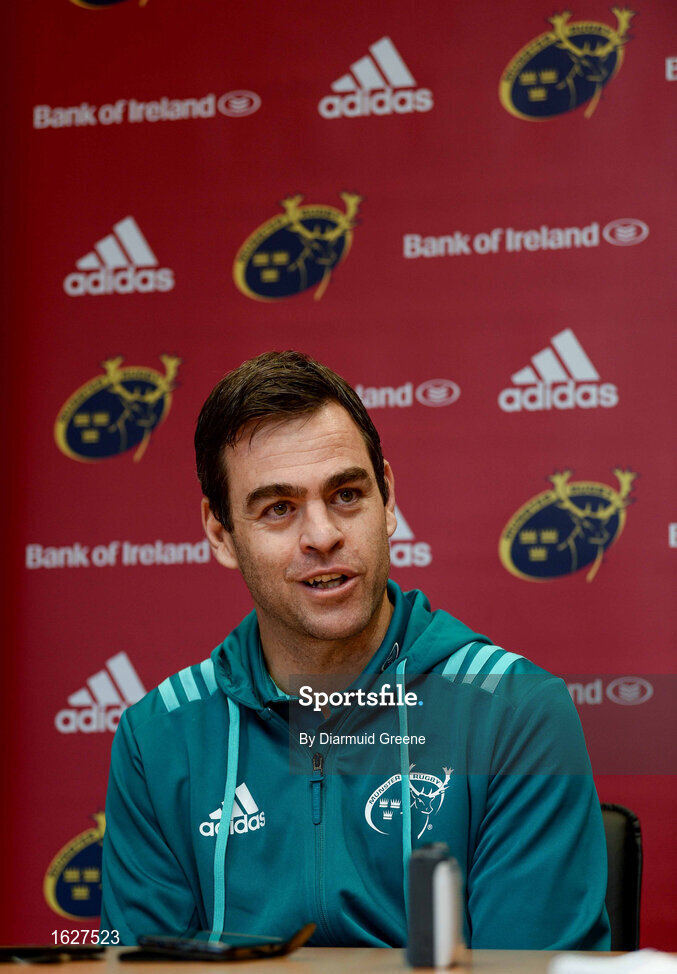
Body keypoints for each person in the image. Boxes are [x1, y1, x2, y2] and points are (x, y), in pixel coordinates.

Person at [101, 350, 610, 949]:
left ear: (387, 499)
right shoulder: (158, 737)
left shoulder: (515, 711)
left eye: (346, 494)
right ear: (221, 534)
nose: (322, 535)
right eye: (279, 509)